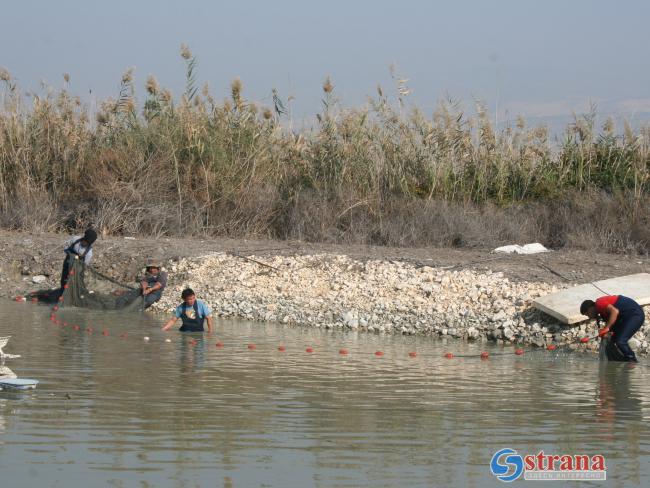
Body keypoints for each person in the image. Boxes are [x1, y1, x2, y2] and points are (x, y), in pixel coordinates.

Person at [581, 295, 645, 362]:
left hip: (635, 315)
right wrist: (606, 333)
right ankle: (623, 358)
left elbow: (615, 311)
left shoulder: (599, 303)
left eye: (587, 314)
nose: (589, 317)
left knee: (620, 341)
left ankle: (632, 360)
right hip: (625, 317)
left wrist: (606, 328)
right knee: (612, 339)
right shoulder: (602, 313)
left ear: (590, 308)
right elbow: (612, 324)